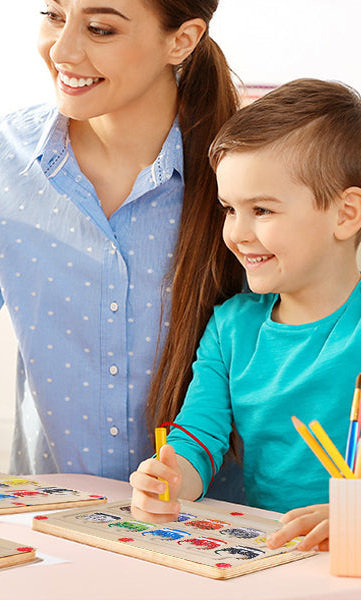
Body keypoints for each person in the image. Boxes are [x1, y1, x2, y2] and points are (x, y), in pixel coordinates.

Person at [0, 0, 243, 482]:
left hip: (214, 525)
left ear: (181, 40)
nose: (61, 50)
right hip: (54, 509)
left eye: (101, 29)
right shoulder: (5, 153)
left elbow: (300, 321)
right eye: (53, 16)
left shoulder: (239, 168)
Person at [130, 78, 361, 551]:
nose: (237, 232)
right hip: (272, 554)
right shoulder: (231, 326)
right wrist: (171, 477)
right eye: (228, 209)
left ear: (346, 214)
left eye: (262, 210)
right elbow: (199, 435)